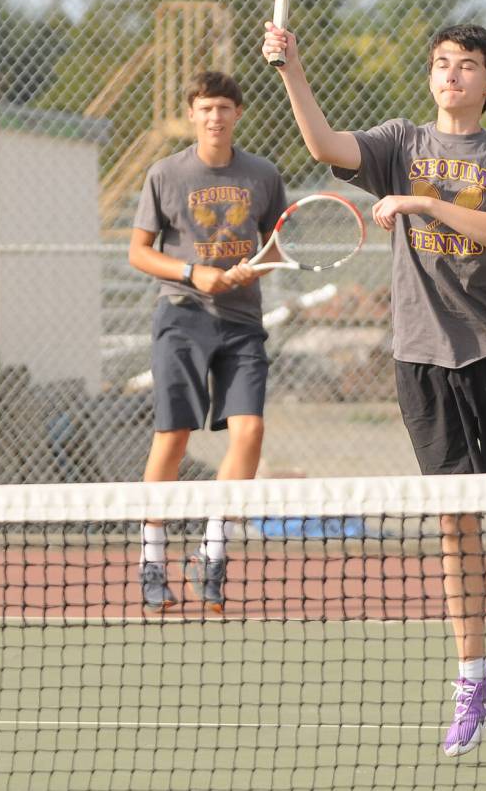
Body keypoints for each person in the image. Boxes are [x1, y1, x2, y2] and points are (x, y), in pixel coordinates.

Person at [261, 22, 486, 755]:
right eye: (442, 64)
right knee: (456, 520)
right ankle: (473, 673)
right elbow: (326, 147)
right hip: (423, 361)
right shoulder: (399, 143)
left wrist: (424, 205)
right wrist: (292, 68)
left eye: (468, 66)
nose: (451, 74)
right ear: (431, 79)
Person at [130, 69, 286, 614]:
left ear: (237, 114)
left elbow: (273, 247)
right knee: (173, 436)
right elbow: (140, 252)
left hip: (241, 323)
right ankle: (152, 557)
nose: (215, 117)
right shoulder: (165, 174)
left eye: (224, 107)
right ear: (192, 115)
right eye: (205, 108)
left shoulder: (263, 174)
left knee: (250, 431)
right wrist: (195, 274)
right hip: (182, 316)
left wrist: (250, 271)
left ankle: (211, 550)